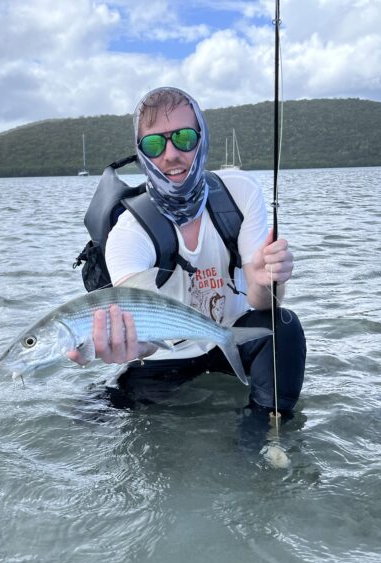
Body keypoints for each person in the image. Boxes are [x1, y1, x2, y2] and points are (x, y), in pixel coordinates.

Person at [69, 86, 306, 417]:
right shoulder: (128, 232)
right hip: (163, 359)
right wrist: (126, 345)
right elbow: (144, 339)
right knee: (88, 418)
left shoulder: (240, 192)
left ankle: (264, 439)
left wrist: (268, 279)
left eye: (183, 138)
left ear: (202, 137)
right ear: (141, 154)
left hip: (231, 337)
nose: (170, 155)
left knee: (284, 325)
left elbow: (261, 301)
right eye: (154, 144)